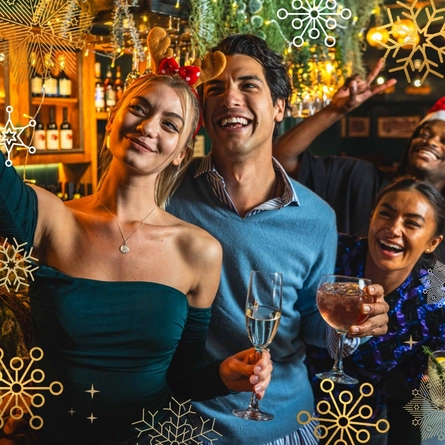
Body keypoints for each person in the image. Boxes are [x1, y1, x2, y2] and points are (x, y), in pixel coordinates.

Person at [0, 58, 273, 444]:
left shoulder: (199, 251)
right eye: (139, 109)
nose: (148, 127)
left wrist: (222, 375)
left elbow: (183, 375)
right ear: (112, 119)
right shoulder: (51, 217)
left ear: (181, 151)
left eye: (169, 124)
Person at [166, 34, 389, 445]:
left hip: (285, 421)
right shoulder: (164, 192)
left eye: (248, 85)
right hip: (185, 423)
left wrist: (353, 328)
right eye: (215, 88)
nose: (229, 97)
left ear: (279, 108)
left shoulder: (317, 217)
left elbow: (310, 322)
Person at [306, 177, 445, 445]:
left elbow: (428, 373)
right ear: (372, 217)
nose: (393, 229)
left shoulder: (436, 294)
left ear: (432, 242)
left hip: (361, 422)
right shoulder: (333, 250)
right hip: (294, 405)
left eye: (412, 223)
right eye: (386, 214)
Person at [273, 89, 445, 261]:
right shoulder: (358, 178)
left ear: (433, 242)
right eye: (424, 134)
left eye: (412, 223)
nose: (430, 142)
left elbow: (438, 283)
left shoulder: (431, 280)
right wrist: (335, 110)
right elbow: (281, 158)